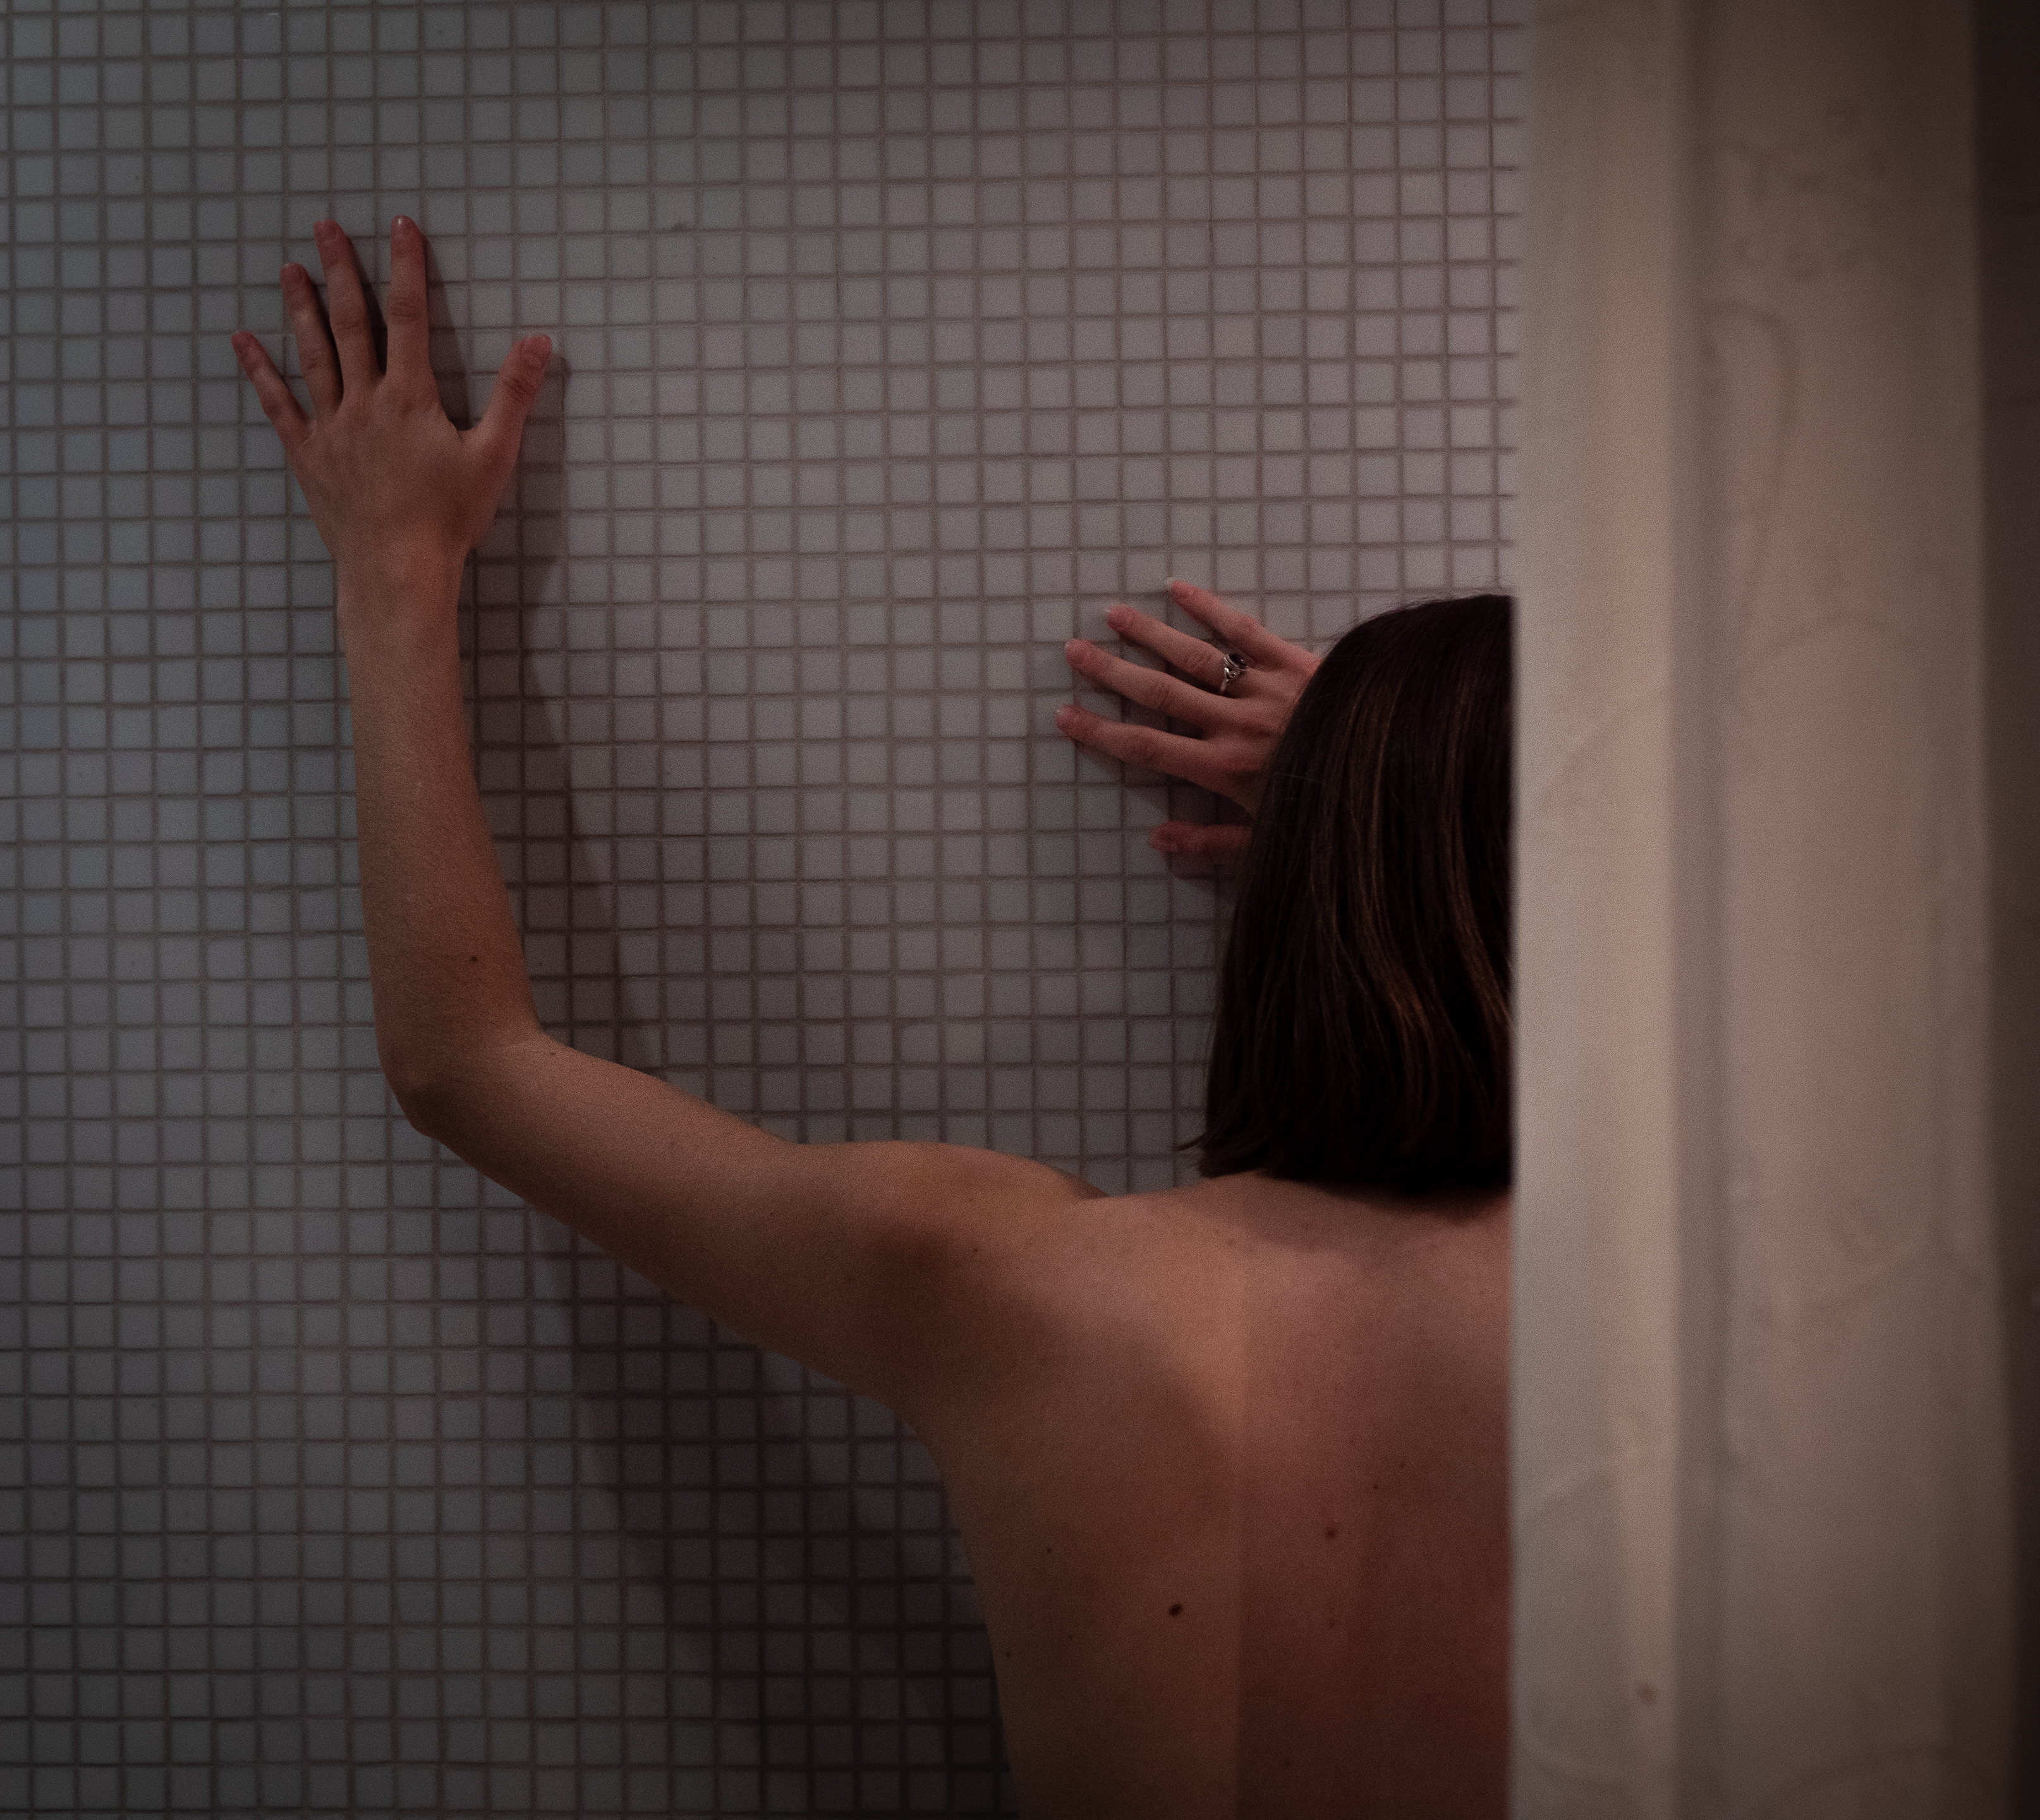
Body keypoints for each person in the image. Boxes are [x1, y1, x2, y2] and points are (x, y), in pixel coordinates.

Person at [233, 217, 1510, 1820]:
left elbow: (466, 1065)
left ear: (1307, 888)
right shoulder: (1731, 1329)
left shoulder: (1016, 1289)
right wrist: (1438, 791)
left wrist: (394, 575)